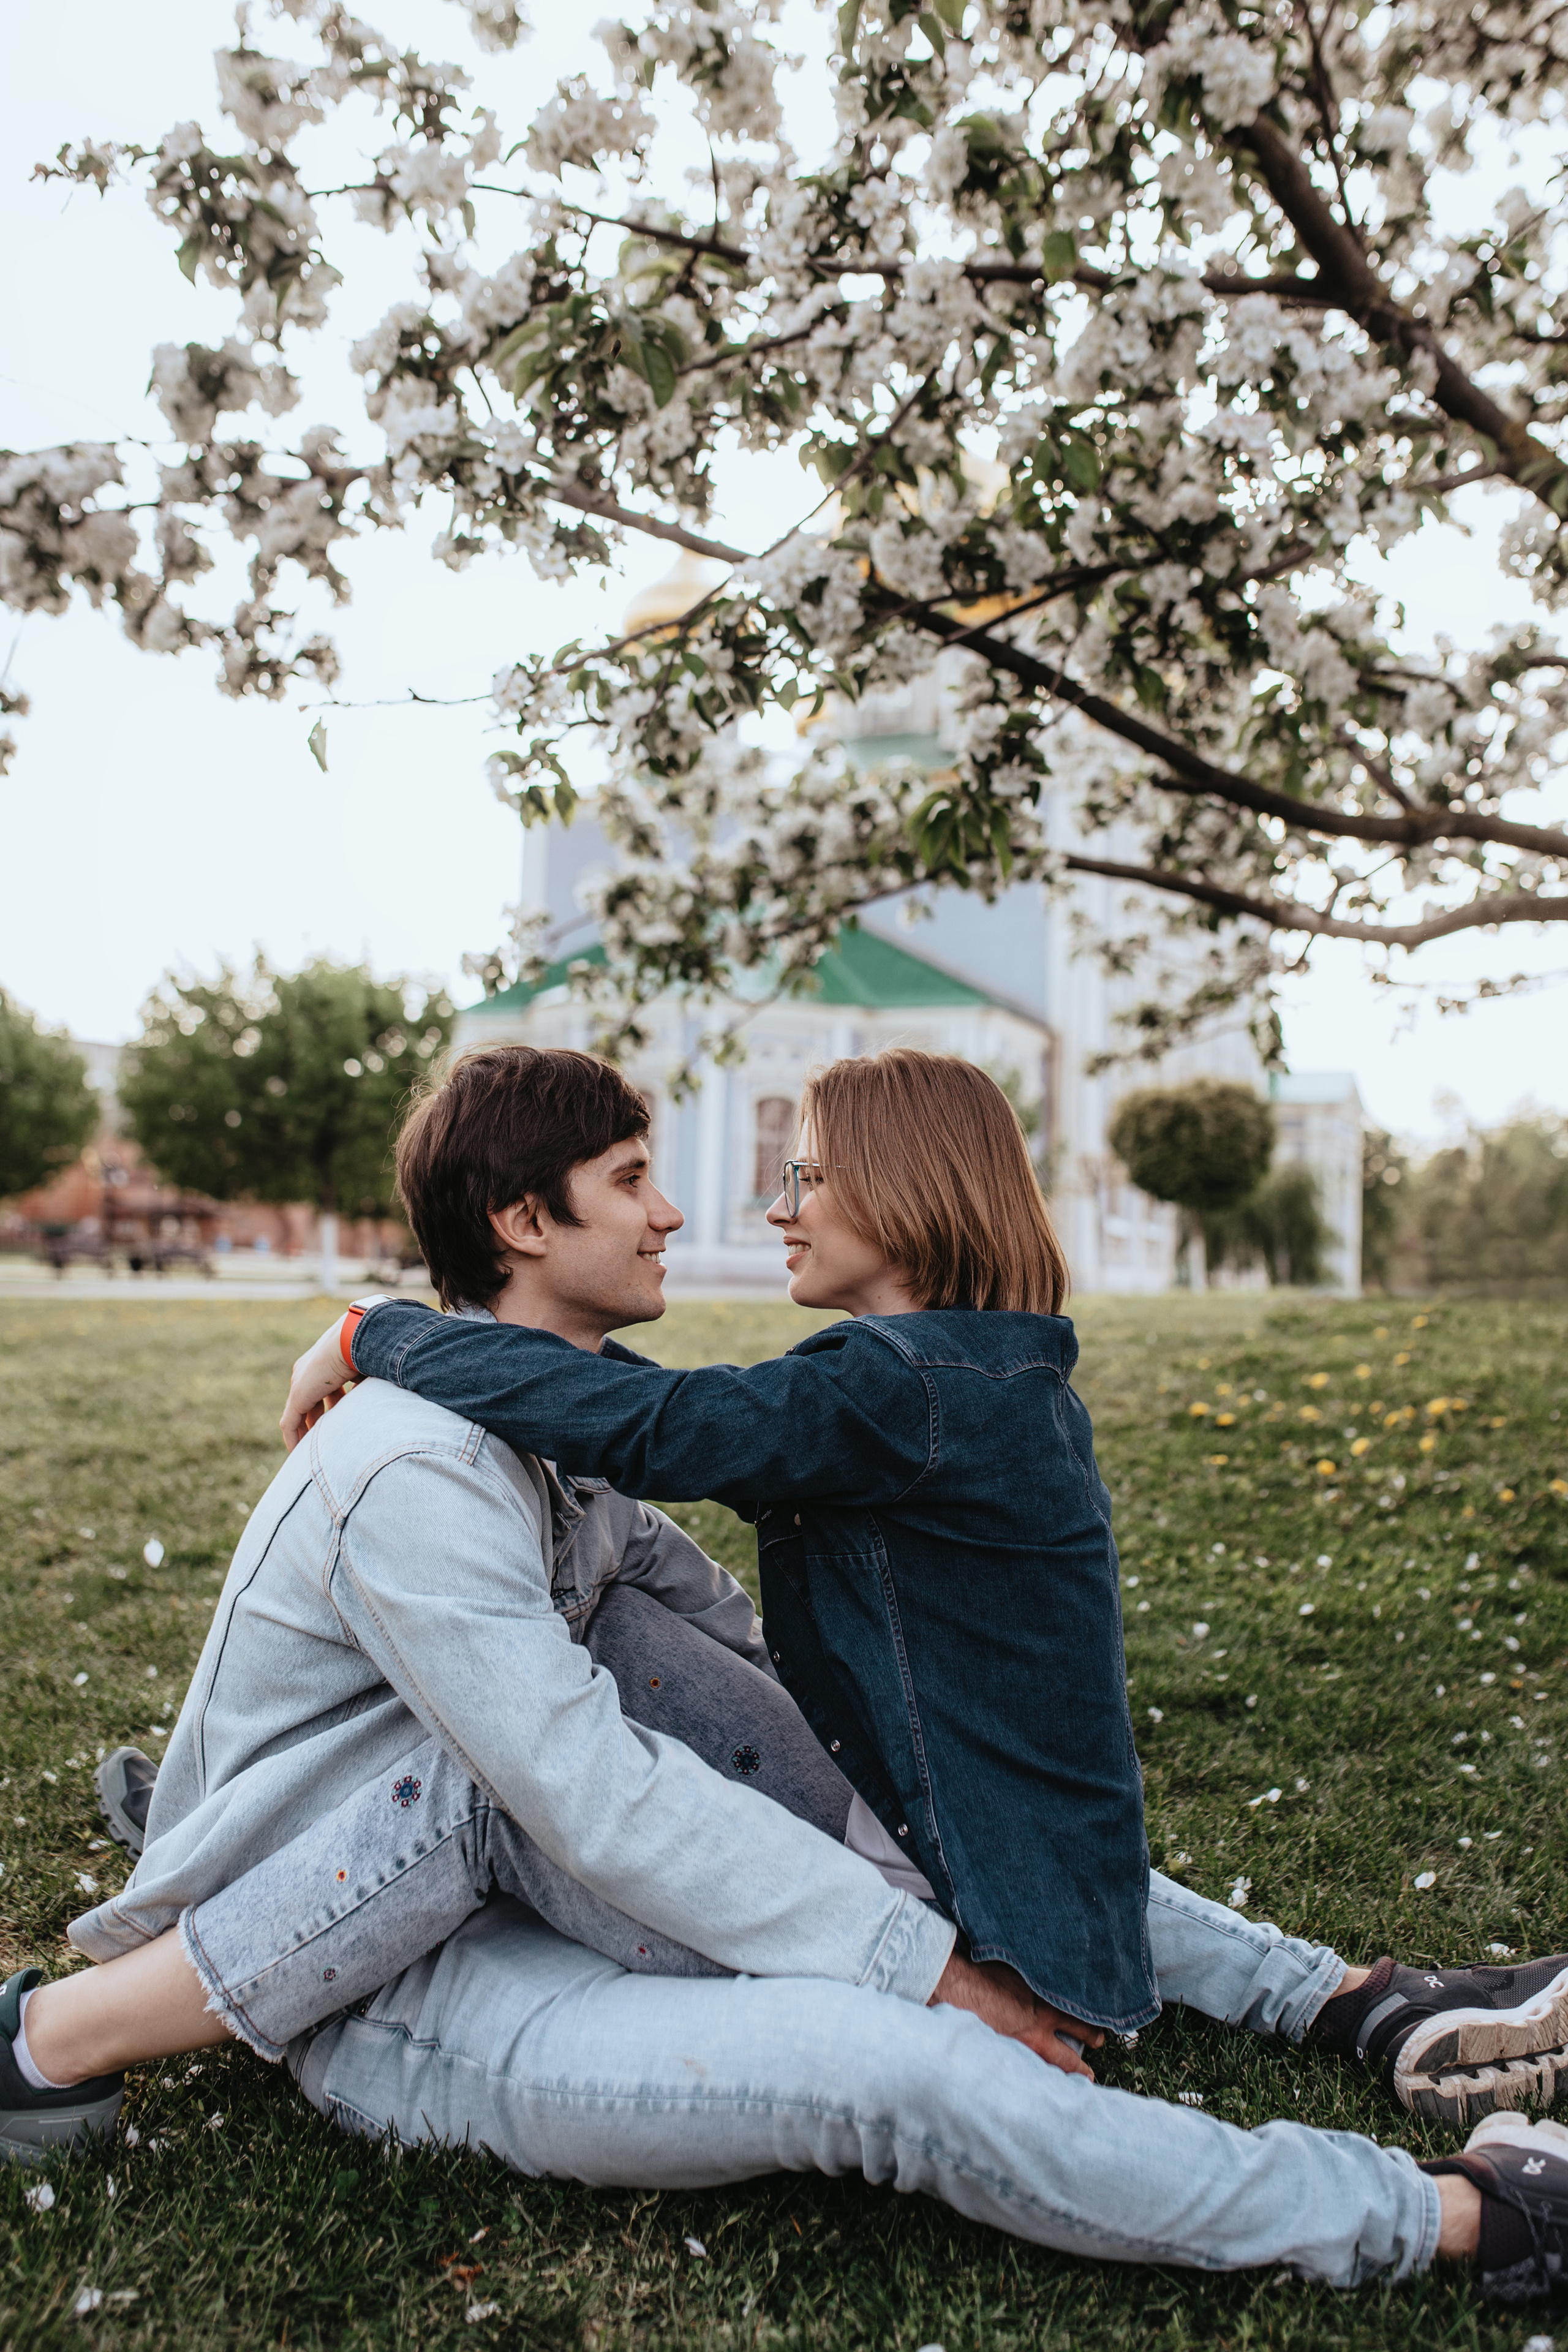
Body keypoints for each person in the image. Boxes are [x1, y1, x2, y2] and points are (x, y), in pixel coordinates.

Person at [6, 1044, 1568, 2307]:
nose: (684, 1213)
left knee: (937, 1824)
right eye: (633, 1181)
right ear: (525, 1222)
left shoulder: (558, 1444)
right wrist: (923, 1965)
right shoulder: (414, 1473)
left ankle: (1353, 2004)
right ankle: (1450, 2217)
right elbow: (587, 1794)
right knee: (908, 2069)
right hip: (394, 1980)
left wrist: (876, 1837)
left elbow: (706, 1615)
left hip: (553, 1881)